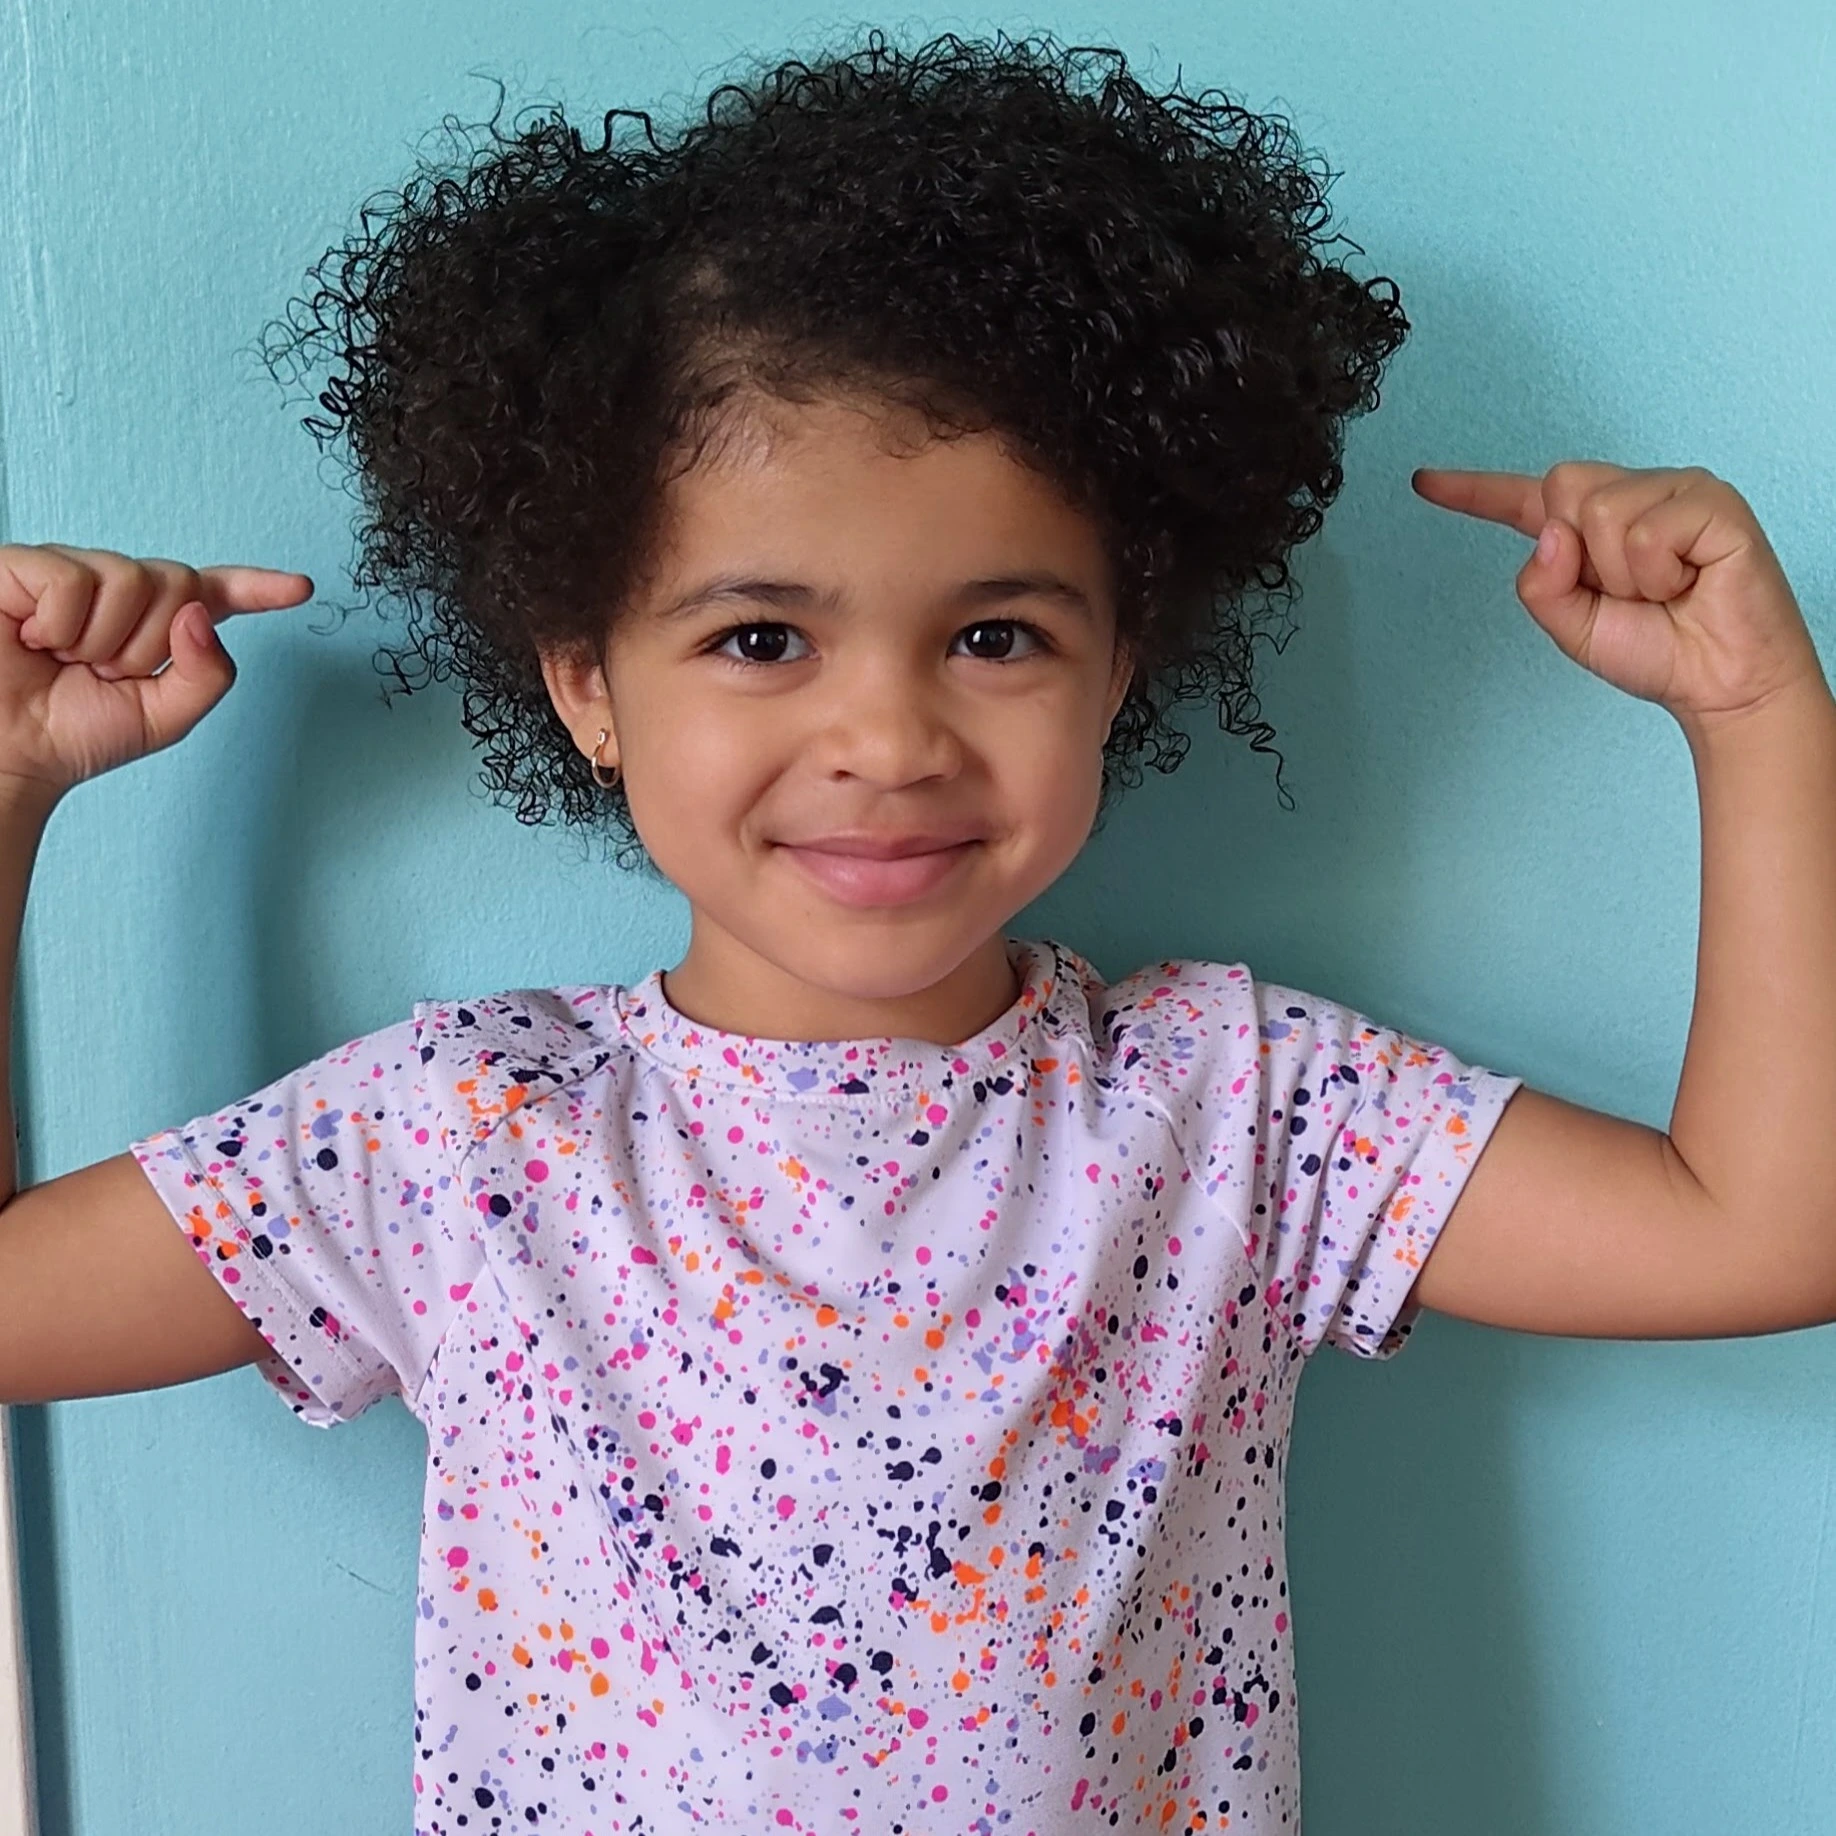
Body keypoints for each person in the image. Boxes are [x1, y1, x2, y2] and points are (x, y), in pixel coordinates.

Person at [0, 30, 1830, 1836]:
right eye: (760, 637)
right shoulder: (451, 1142)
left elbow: (1760, 1236)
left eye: (997, 634)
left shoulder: (1240, 1116)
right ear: (588, 683)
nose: (887, 739)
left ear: (1123, 660)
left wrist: (1753, 723)